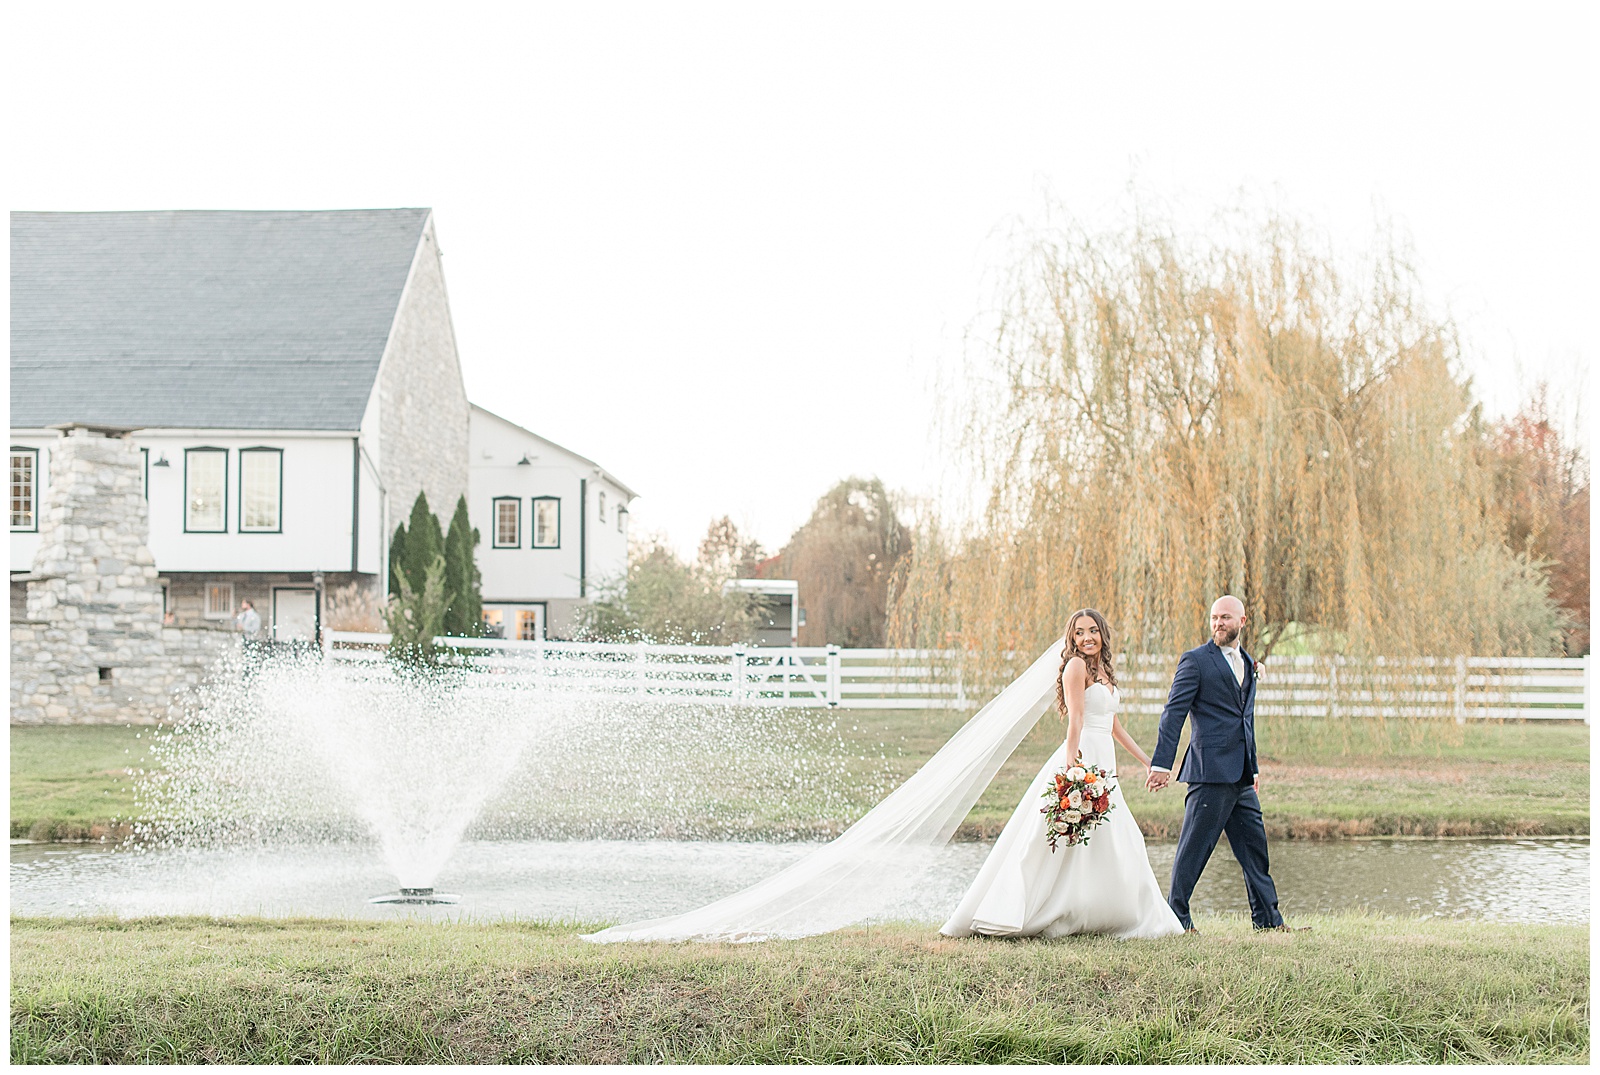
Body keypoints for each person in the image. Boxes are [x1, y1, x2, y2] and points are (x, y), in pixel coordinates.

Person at [940, 609, 1184, 939]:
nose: (1087, 638)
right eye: (1080, 632)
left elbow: (1113, 725)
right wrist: (1073, 767)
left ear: (1102, 635)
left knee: (1115, 838)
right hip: (1084, 758)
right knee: (1058, 839)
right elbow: (1076, 720)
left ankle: (1106, 913)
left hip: (1105, 763)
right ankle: (1043, 909)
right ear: (1072, 637)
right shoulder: (1076, 666)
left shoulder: (1103, 671)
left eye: (1093, 631)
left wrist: (1147, 761)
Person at [1146, 595, 1304, 933]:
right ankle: (1176, 921)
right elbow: (1173, 713)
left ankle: (1269, 921)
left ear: (1242, 622)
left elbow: (1246, 720)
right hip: (1209, 772)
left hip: (1242, 775)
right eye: (1215, 617)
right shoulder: (1196, 661)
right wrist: (1162, 763)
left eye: (1226, 618)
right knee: (1194, 850)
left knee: (1255, 850)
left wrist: (1255, 766)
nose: (1219, 623)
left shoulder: (1247, 663)